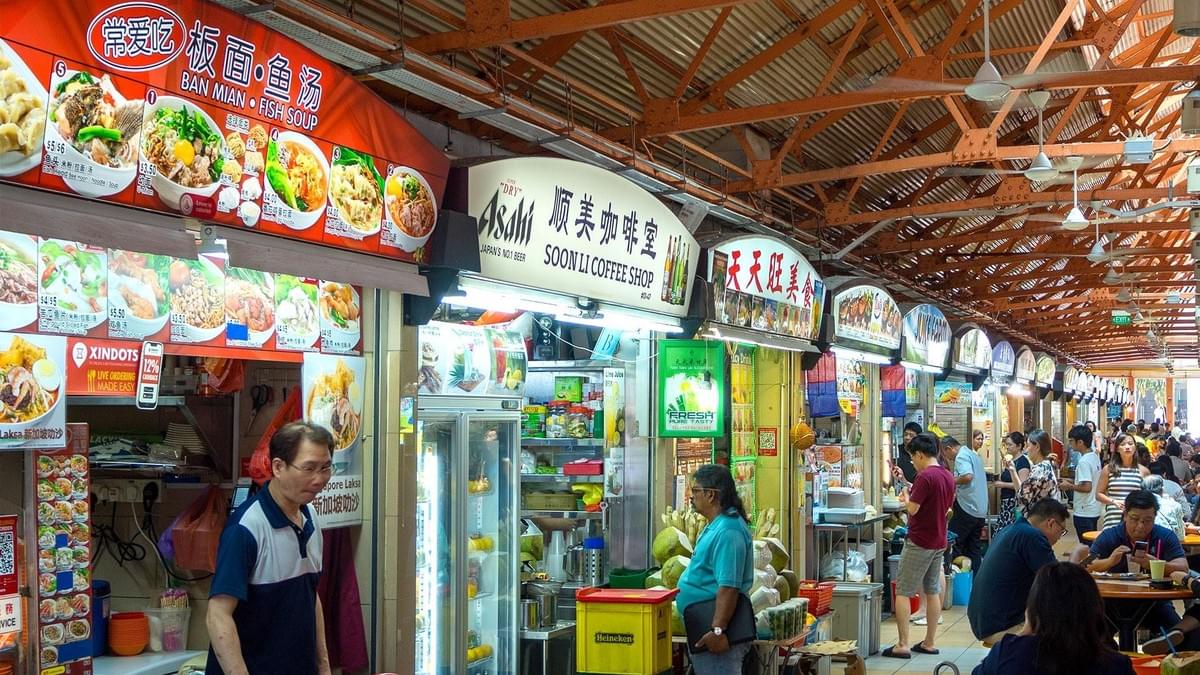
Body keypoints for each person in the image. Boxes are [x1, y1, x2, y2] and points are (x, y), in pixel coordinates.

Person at [206, 422, 334, 675]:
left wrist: (324, 665)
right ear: (278, 467)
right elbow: (217, 615)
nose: (319, 479)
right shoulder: (246, 528)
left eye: (326, 468)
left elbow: (310, 595)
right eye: (309, 468)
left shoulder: (311, 517)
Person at [972, 562, 1135, 675]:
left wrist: (1022, 634)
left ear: (1034, 608)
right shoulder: (1116, 665)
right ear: (1095, 609)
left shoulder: (1009, 654)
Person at [674, 464, 755, 674]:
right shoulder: (716, 524)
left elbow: (728, 587)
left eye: (695, 491)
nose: (691, 497)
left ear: (711, 495)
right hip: (702, 624)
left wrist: (717, 631)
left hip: (716, 633)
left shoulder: (729, 531)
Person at [883, 433, 955, 659]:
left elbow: (913, 509)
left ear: (921, 454)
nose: (912, 461)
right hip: (939, 540)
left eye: (913, 456)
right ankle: (929, 642)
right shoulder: (946, 475)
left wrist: (905, 495)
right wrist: (907, 483)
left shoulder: (926, 477)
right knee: (932, 590)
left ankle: (903, 644)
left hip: (920, 540)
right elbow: (936, 501)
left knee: (903, 591)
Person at [1079, 489, 1187, 638]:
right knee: (1090, 638)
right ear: (1125, 515)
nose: (1140, 526)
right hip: (1111, 603)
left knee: (1176, 638)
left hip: (1155, 604)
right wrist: (1109, 561)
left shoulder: (1164, 536)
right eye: (1134, 519)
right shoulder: (1111, 535)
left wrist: (1155, 564)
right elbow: (1085, 567)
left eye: (1147, 521)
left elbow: (1184, 568)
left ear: (1155, 518)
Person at [967, 499, 1068, 646]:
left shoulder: (1010, 530)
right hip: (1002, 626)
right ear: (1051, 523)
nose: (1060, 537)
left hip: (983, 622)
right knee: (1069, 625)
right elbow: (1057, 580)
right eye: (1062, 531)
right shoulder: (1033, 536)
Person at [942, 436, 987, 577]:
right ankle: (975, 582)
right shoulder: (972, 454)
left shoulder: (961, 456)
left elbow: (967, 476)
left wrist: (949, 480)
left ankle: (951, 580)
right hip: (980, 510)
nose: (948, 459)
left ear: (949, 448)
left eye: (946, 454)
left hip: (967, 508)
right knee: (973, 548)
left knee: (954, 543)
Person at [1097, 434, 1149, 528]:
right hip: (1112, 518)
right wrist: (1113, 501)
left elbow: (1149, 497)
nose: (1127, 447)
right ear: (1117, 449)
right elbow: (1098, 494)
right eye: (1123, 444)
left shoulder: (1143, 471)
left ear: (1135, 448)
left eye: (1130, 444)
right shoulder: (1108, 469)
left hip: (1135, 521)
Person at [1060, 424, 1102, 536]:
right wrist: (1071, 481)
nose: (1070, 444)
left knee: (1086, 546)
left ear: (1080, 442)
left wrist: (1069, 486)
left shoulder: (1084, 462)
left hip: (1084, 510)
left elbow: (1087, 487)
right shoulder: (1094, 457)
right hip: (1093, 507)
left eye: (1071, 441)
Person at [1010, 429, 1061, 514]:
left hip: (1041, 519)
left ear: (1037, 447)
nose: (1026, 450)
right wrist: (1012, 470)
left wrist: (1013, 471)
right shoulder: (1045, 465)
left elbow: (1023, 497)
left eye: (1028, 446)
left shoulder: (1040, 469)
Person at [994, 432, 1029, 533]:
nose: (1007, 447)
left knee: (1007, 533)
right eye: (1006, 444)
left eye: (1010, 445)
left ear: (1019, 446)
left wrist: (1003, 484)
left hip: (1014, 503)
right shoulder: (1011, 460)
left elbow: (1021, 485)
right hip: (1005, 502)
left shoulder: (1023, 462)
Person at [1144, 475, 1188, 539]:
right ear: (1162, 489)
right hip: (1167, 545)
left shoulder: (1135, 504)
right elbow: (1180, 536)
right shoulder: (1174, 505)